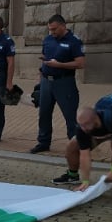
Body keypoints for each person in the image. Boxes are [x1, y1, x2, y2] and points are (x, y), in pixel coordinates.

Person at [52, 94, 112, 196]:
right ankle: (72, 175)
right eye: (81, 125)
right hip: (100, 131)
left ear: (95, 119)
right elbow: (85, 155)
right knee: (73, 145)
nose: (83, 128)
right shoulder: (82, 127)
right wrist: (85, 181)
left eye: (85, 124)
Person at [31, 14, 85, 153]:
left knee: (70, 116)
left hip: (64, 82)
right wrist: (40, 83)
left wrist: (59, 65)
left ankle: (76, 145)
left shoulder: (74, 41)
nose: (52, 32)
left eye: (54, 29)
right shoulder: (48, 39)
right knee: (44, 114)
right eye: (50, 29)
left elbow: (80, 63)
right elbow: (44, 59)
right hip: (46, 82)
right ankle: (43, 142)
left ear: (63, 26)